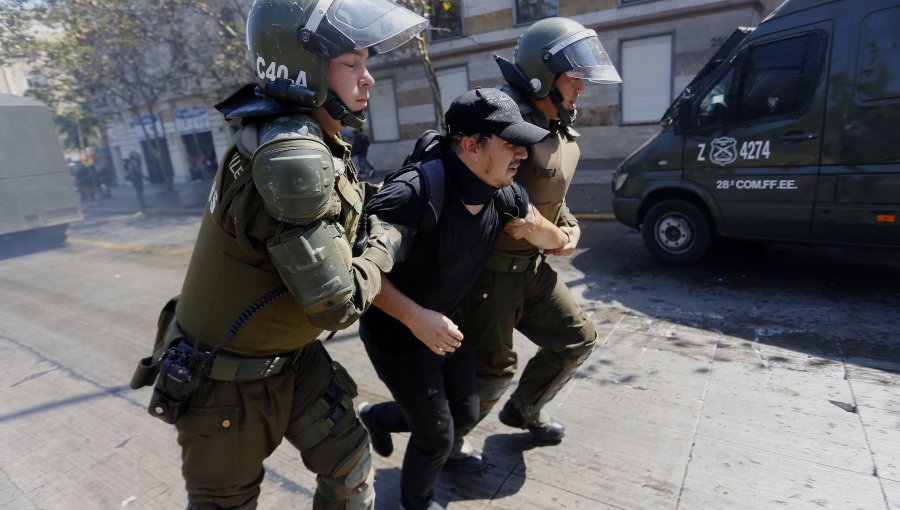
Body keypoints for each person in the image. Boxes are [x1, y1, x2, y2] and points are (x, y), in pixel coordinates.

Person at [131, 1, 428, 508]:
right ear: (305, 68)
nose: (369, 79)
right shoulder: (293, 157)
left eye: (365, 63)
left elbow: (337, 215)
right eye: (351, 65)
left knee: (351, 465)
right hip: (223, 380)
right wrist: (389, 238)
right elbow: (339, 306)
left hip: (293, 358)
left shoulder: (307, 137)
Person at [357, 87, 569, 510]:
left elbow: (550, 235)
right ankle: (416, 503)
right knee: (436, 437)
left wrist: (551, 234)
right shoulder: (412, 194)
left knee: (465, 415)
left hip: (448, 325)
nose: (523, 156)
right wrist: (416, 317)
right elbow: (359, 273)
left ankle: (378, 417)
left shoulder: (502, 192)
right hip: (398, 334)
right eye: (511, 145)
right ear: (471, 145)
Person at [453, 18, 623, 457]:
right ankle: (446, 441)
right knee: (491, 374)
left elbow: (551, 201)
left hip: (533, 267)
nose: (582, 88)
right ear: (544, 75)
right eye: (575, 77)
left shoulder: (562, 125)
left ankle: (526, 409)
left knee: (577, 341)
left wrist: (567, 230)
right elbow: (509, 216)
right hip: (488, 277)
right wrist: (555, 237)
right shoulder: (503, 122)